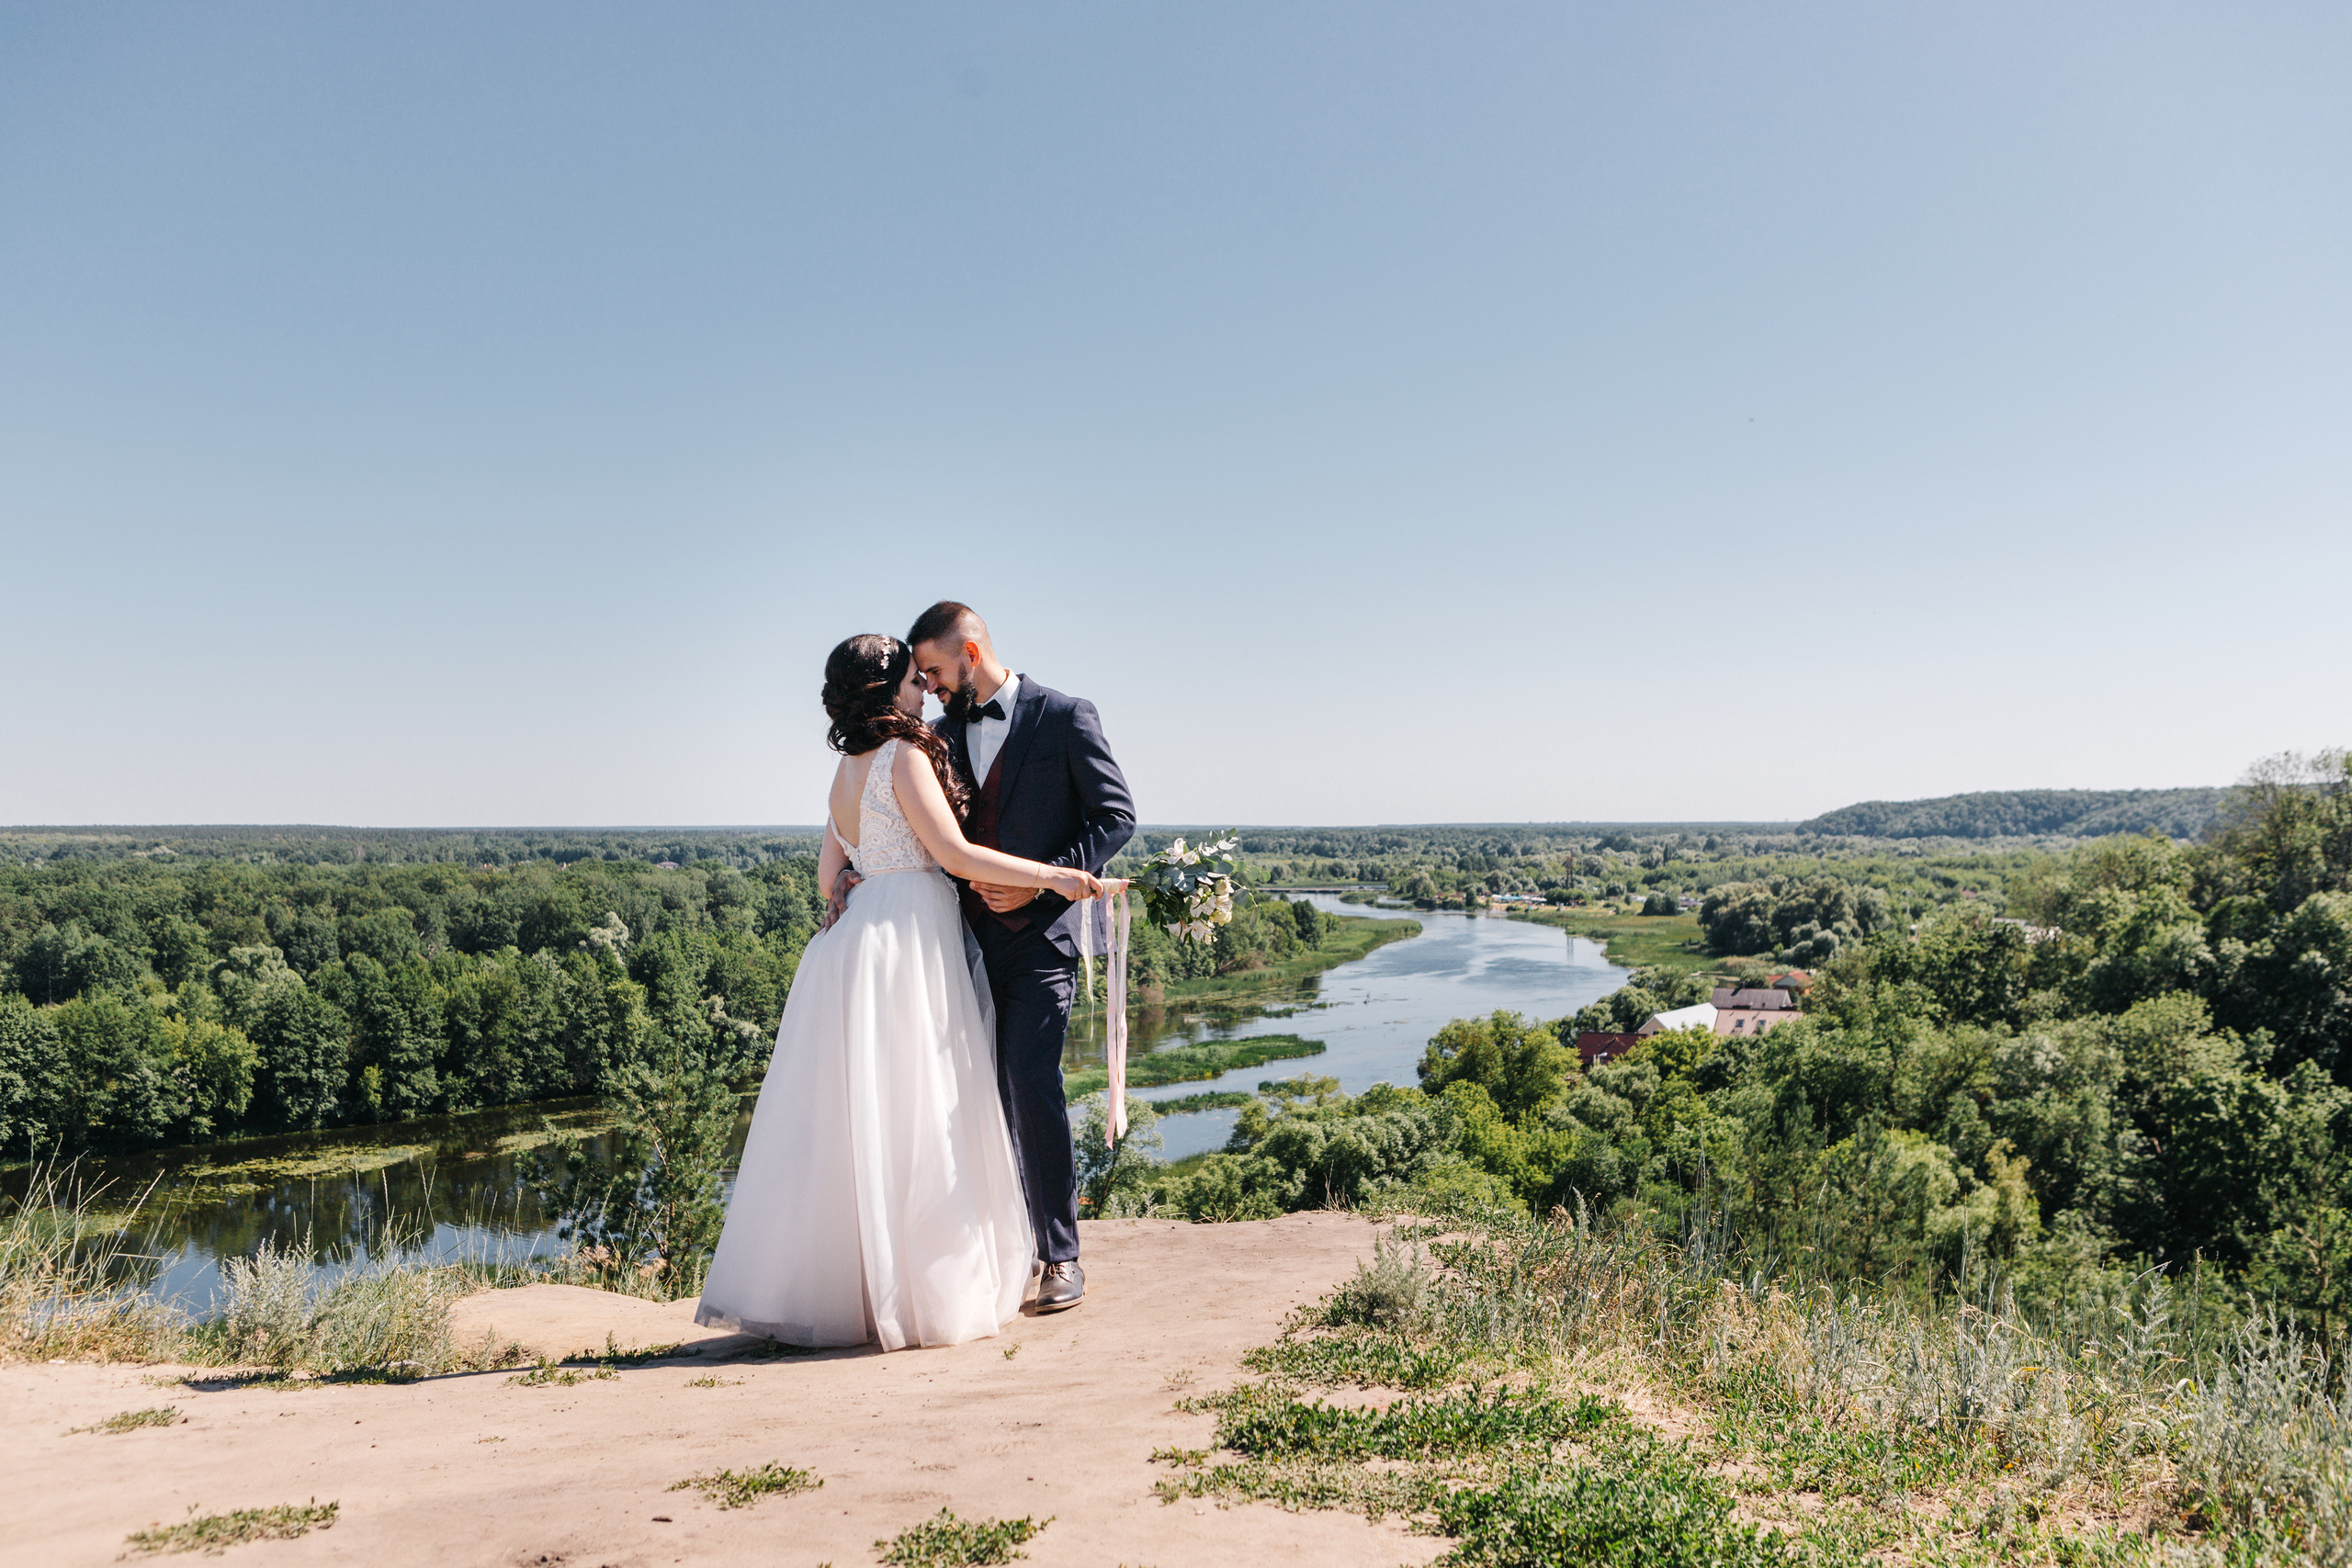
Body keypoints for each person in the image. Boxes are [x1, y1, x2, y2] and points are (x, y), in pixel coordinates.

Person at [695, 634, 1104, 1349]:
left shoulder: (845, 770)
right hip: (911, 942)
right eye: (916, 682)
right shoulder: (903, 756)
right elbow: (953, 855)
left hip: (856, 947)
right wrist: (1054, 876)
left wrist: (854, 883)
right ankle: (926, 1292)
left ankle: (858, 1290)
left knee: (867, 1118)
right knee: (922, 1109)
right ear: (890, 692)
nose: (926, 693)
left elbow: (829, 876)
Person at [904, 602, 1136, 1313]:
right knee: (964, 1100)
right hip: (959, 941)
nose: (931, 685)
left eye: (936, 671)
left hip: (1042, 941)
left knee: (1030, 1083)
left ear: (969, 654)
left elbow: (1116, 815)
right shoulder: (939, 736)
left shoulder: (1065, 716)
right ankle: (985, 1254)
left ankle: (1059, 1256)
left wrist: (1036, 893)